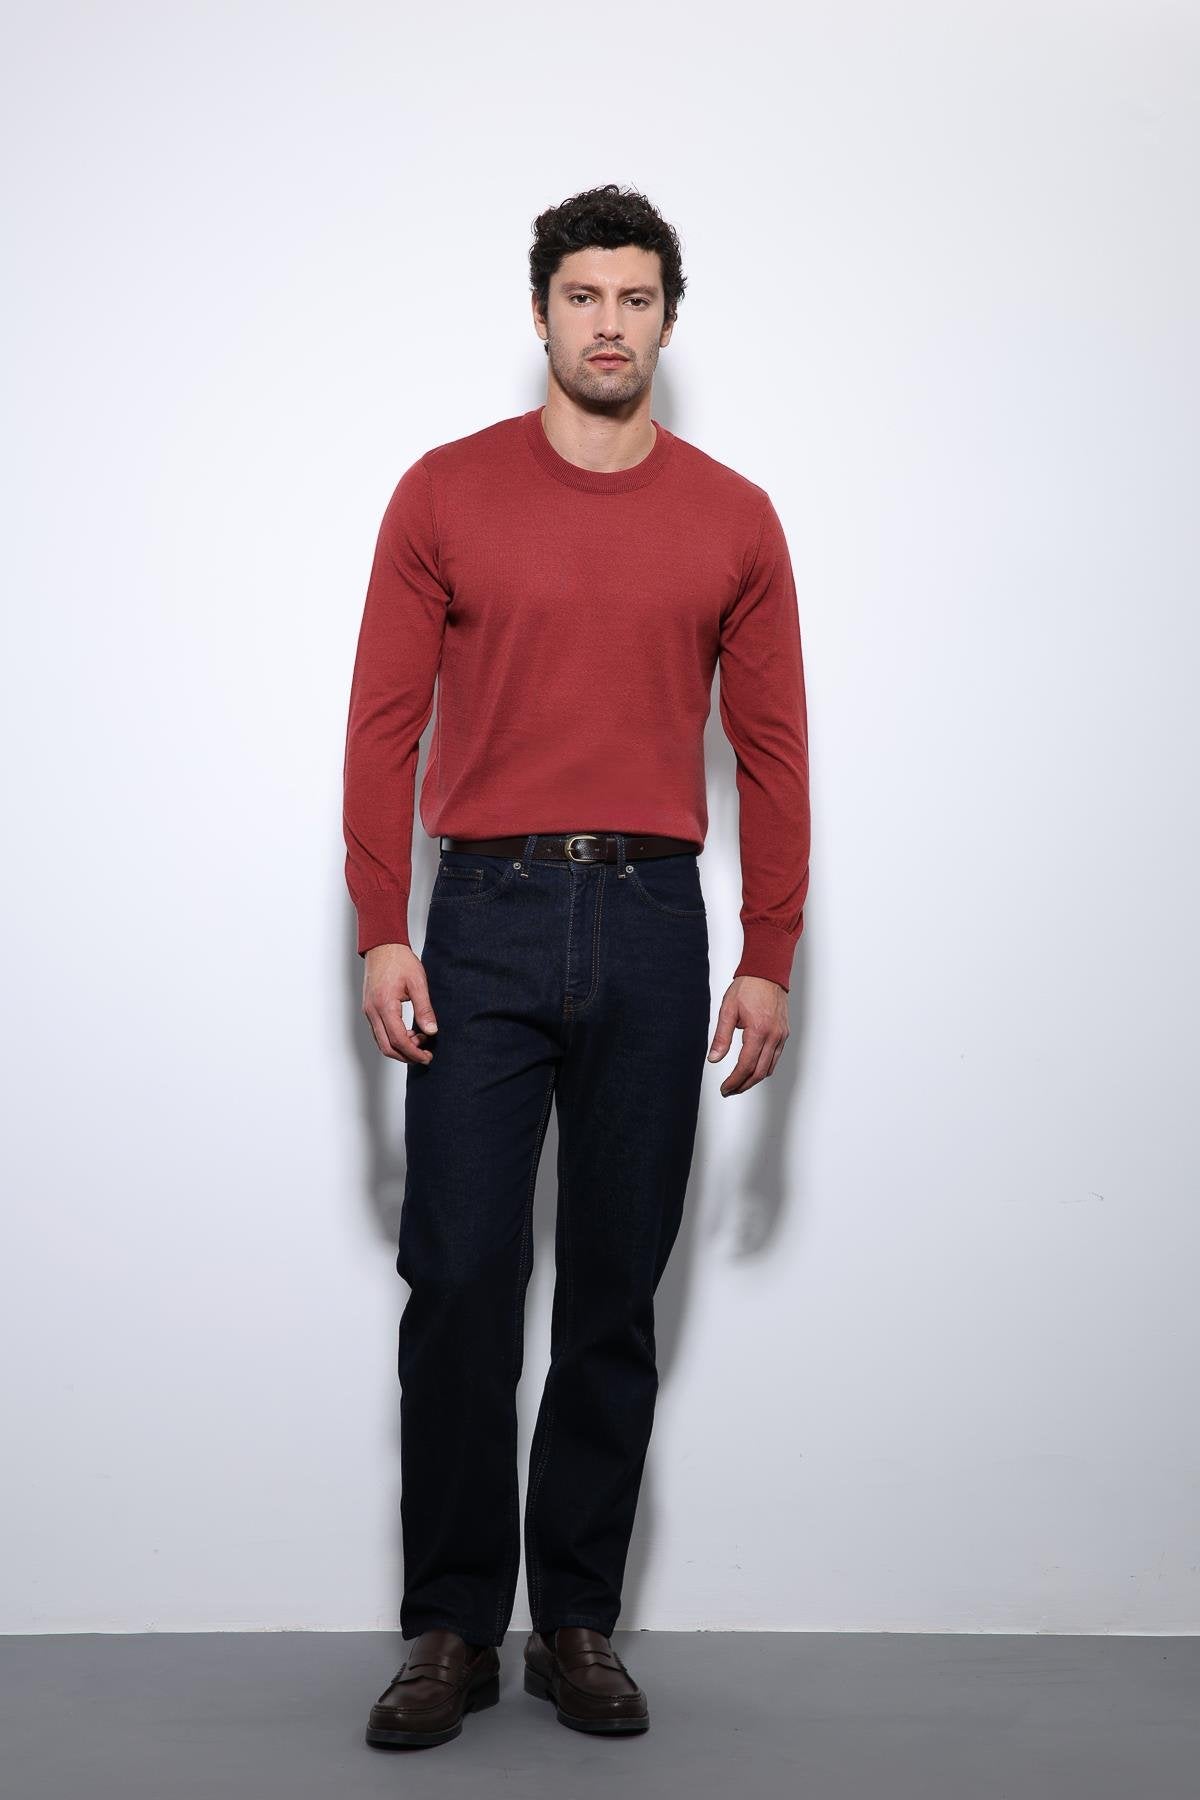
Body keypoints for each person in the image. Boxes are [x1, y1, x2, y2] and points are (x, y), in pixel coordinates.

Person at [344, 183, 811, 1748]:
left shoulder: (735, 517)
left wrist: (769, 950)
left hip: (655, 921)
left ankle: (576, 1624)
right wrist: (383, 923)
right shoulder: (444, 493)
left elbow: (773, 750)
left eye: (636, 298)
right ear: (539, 311)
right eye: (583, 296)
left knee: (614, 1291)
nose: (610, 324)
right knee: (461, 1280)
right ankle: (449, 1627)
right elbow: (382, 727)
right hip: (479, 916)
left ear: (670, 318)